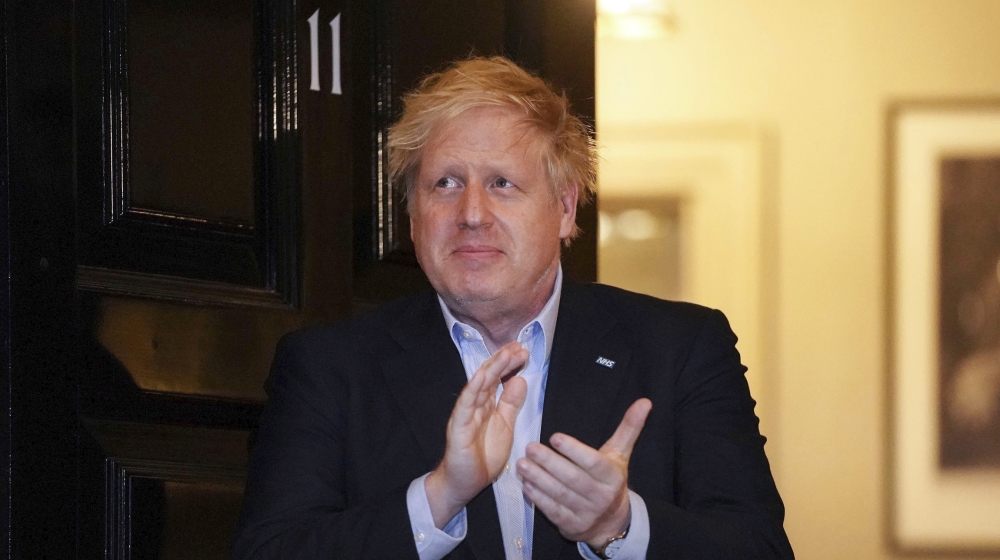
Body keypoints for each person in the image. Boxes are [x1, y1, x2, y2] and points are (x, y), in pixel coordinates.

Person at [233, 56, 794, 560]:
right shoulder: (328, 366)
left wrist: (620, 526)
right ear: (411, 218)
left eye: (502, 183)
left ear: (566, 208)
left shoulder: (682, 348)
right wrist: (438, 499)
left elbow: (761, 550)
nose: (471, 212)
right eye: (445, 183)